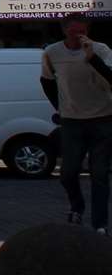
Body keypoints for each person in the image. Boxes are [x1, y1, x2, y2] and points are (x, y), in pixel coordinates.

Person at [42, 13, 112, 231]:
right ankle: (77, 206)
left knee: (99, 173)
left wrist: (92, 58)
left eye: (82, 32)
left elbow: (111, 78)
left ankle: (99, 224)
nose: (77, 37)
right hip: (72, 120)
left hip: (102, 118)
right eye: (73, 32)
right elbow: (47, 81)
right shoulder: (52, 53)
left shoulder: (101, 50)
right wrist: (60, 107)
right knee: (68, 172)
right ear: (64, 31)